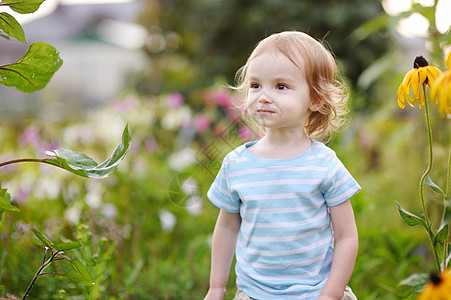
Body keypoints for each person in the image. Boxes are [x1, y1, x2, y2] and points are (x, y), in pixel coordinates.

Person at [204, 31, 361, 300]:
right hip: (255, 294)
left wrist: (330, 294)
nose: (263, 96)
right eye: (255, 85)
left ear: (316, 99)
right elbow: (227, 228)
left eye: (280, 86)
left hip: (316, 292)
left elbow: (347, 236)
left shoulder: (324, 165)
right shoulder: (236, 165)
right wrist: (216, 288)